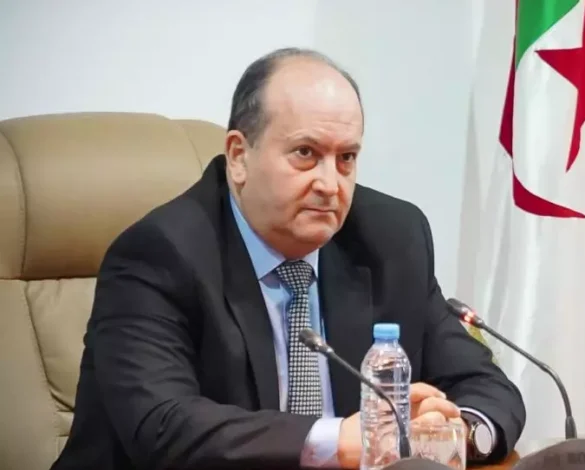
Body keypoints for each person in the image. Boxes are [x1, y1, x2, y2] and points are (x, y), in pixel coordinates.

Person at [51, 48, 526, 470]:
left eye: (346, 158)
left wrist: (450, 434)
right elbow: (164, 426)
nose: (330, 184)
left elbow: (486, 387)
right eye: (305, 153)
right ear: (239, 156)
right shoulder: (159, 254)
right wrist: (343, 440)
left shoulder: (391, 239)